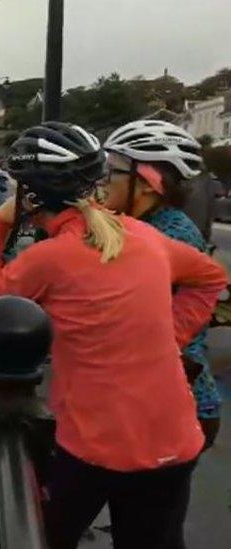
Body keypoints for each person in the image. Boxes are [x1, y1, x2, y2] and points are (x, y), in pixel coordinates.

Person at [0, 121, 226, 549]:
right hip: (174, 440)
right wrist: (172, 335)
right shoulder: (144, 235)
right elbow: (210, 277)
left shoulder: (49, 258)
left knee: (37, 535)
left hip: (95, 444)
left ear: (30, 195)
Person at [102, 119, 222, 449]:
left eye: (113, 171)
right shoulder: (143, 224)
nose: (103, 180)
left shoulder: (164, 238)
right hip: (151, 401)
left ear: (147, 183)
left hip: (170, 409)